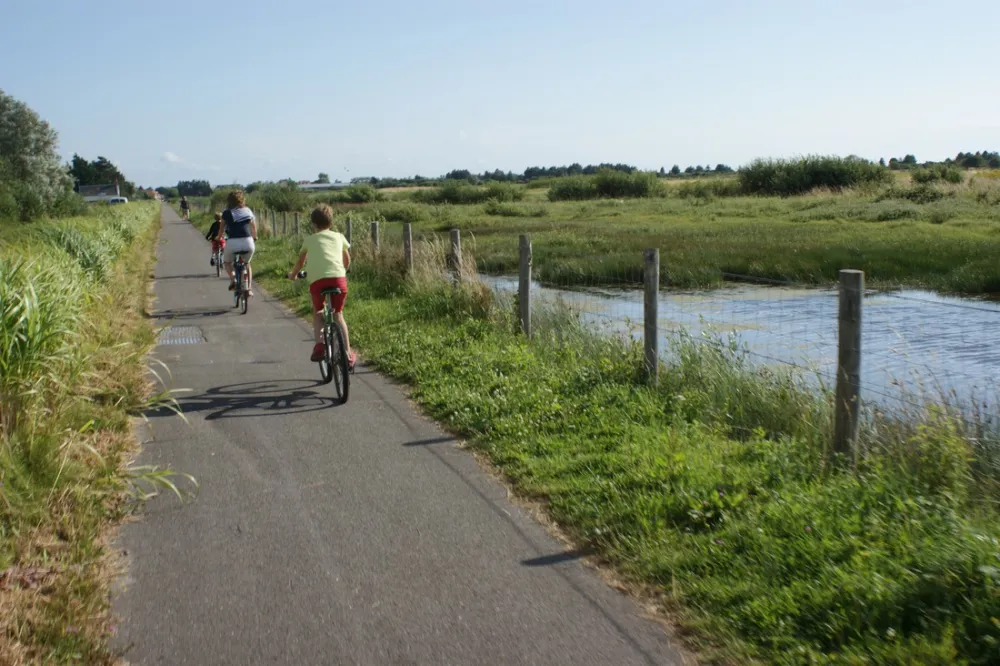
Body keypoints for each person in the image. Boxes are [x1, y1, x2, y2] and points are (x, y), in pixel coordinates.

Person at [288, 204, 355, 368]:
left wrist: (293, 274)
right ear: (331, 223)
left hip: (318, 281)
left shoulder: (309, 240)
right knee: (338, 314)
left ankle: (319, 345)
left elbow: (301, 262)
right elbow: (347, 260)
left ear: (313, 224)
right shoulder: (339, 237)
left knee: (318, 312)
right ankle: (347, 353)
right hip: (339, 278)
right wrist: (343, 271)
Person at [216, 190, 257, 296]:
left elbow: (222, 229)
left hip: (233, 242)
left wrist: (218, 237)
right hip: (248, 241)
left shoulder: (226, 212)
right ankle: (249, 289)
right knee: (247, 264)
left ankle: (234, 279)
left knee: (227, 263)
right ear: (242, 199)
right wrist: (255, 237)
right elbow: (253, 226)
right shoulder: (247, 211)